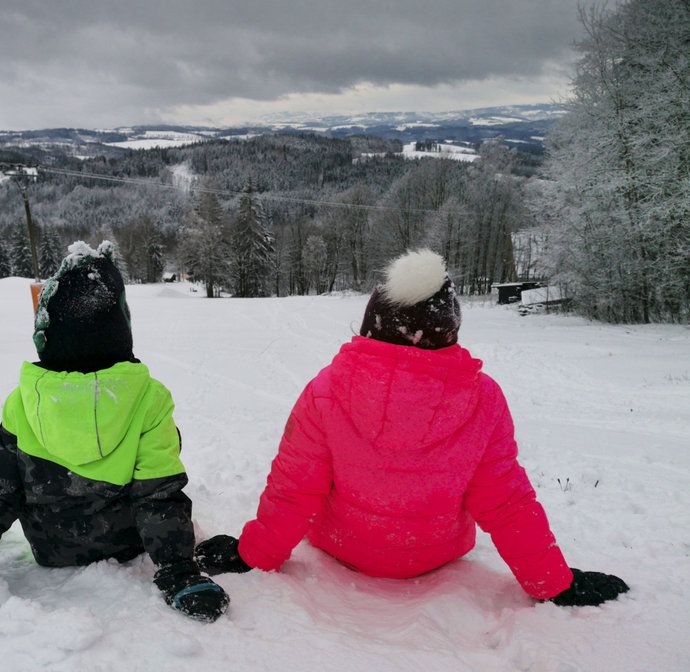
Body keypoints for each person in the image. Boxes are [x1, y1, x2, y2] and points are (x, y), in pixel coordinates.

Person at [196, 250, 628, 607]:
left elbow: (295, 488)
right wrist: (554, 583)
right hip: (436, 556)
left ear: (373, 323)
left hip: (341, 547)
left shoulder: (326, 390)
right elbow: (506, 502)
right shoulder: (483, 398)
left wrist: (254, 555)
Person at [0, 241, 229, 623]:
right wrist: (178, 569)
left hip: (51, 548)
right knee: (162, 454)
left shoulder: (24, 401)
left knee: (15, 468)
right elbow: (159, 495)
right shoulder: (149, 399)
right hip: (125, 544)